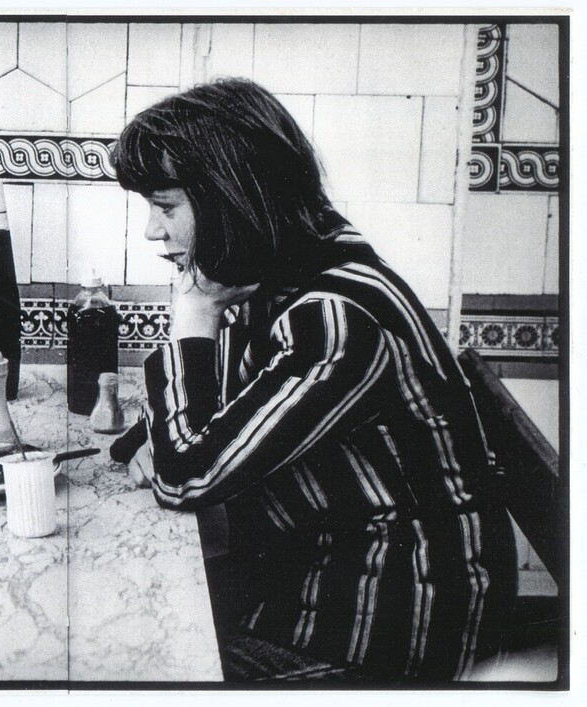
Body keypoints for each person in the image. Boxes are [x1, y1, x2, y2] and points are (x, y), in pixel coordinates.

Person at [109, 78, 516, 682]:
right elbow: (192, 435)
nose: (151, 231)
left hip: (387, 626)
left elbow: (186, 476)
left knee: (123, 663)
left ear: (231, 198)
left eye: (165, 207)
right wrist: (165, 437)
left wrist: (192, 319)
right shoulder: (277, 276)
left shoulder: (333, 319)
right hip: (322, 584)